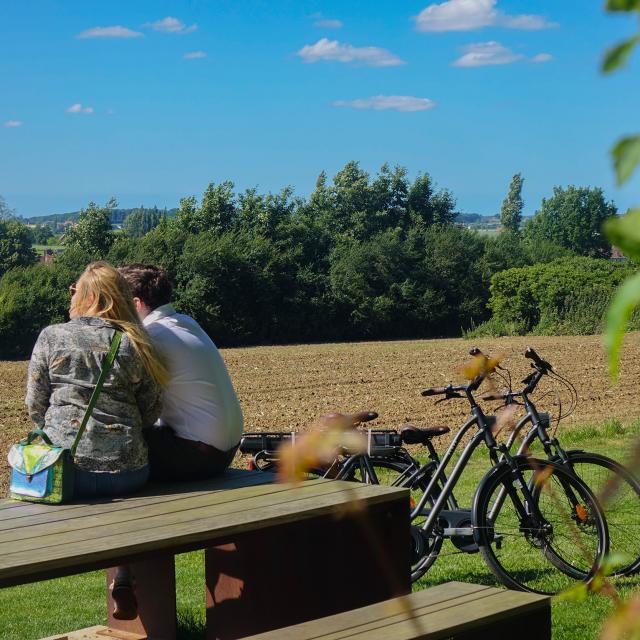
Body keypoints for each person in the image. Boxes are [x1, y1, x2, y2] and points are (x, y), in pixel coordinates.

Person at [25, 260, 169, 620]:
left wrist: (60, 433)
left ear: (85, 297)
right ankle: (123, 573)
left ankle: (118, 573)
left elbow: (35, 405)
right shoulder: (134, 341)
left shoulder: (52, 336)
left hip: (65, 474)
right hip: (128, 471)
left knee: (79, 489)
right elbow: (150, 410)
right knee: (114, 495)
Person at [118, 264, 243, 481]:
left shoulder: (151, 336)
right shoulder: (186, 322)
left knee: (111, 429)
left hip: (198, 457)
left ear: (136, 303)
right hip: (224, 451)